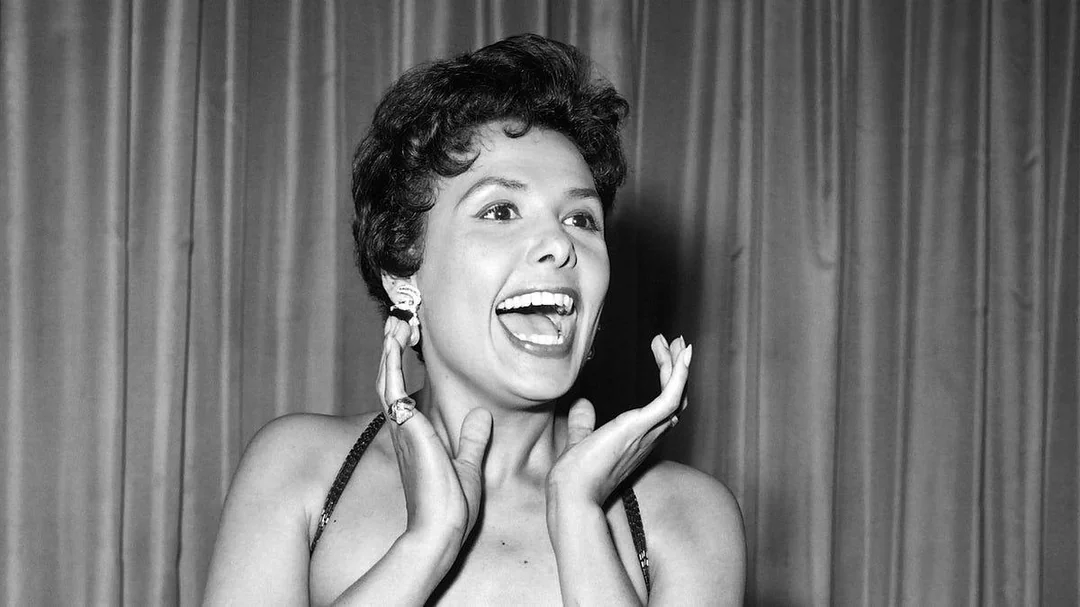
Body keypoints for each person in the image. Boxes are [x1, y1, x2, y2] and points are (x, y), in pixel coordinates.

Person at [204, 33, 744, 605]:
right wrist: (428, 544)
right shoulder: (298, 470)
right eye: (500, 210)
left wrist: (579, 515)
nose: (559, 246)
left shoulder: (685, 517)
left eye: (582, 219)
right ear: (402, 271)